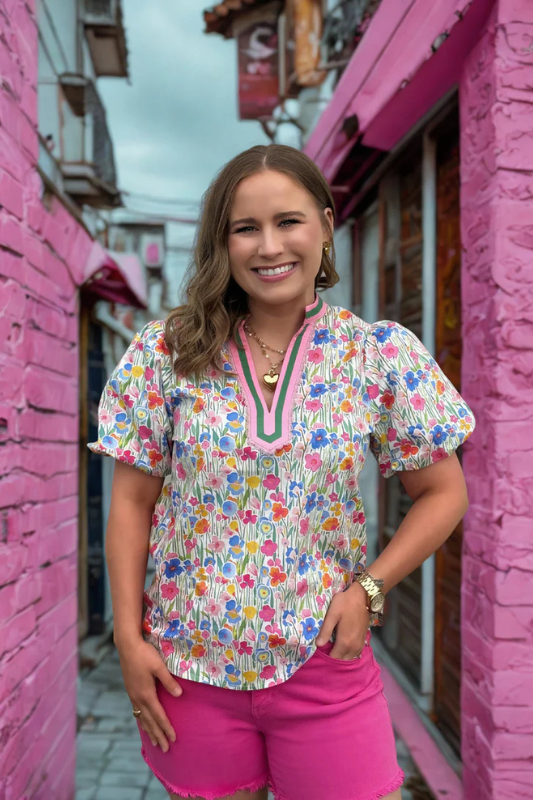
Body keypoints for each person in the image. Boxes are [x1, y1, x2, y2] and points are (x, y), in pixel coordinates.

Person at [88, 144, 476, 800]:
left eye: (288, 221)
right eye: (245, 228)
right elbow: (130, 504)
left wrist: (369, 590)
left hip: (325, 663)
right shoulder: (168, 353)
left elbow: (444, 493)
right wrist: (129, 640)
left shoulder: (376, 355)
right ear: (223, 243)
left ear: (324, 226)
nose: (269, 246)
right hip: (190, 672)